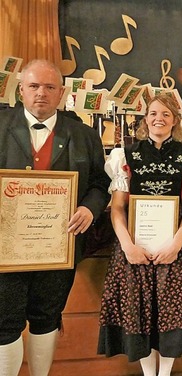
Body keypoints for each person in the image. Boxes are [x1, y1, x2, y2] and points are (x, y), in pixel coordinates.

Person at [0, 59, 110, 376]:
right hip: (7, 249)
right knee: (5, 320)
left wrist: (89, 207)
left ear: (61, 92)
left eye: (50, 87)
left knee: (47, 316)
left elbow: (100, 184)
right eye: (34, 86)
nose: (41, 94)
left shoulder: (84, 135)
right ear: (21, 90)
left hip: (58, 246)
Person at [97, 94, 182, 375]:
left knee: (170, 312)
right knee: (140, 313)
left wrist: (176, 244)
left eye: (167, 114)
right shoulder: (126, 155)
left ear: (175, 121)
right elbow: (118, 208)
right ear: (145, 119)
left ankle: (164, 373)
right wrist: (128, 246)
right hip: (135, 246)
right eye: (154, 113)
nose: (159, 118)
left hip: (174, 246)